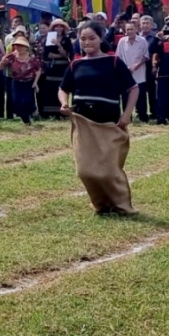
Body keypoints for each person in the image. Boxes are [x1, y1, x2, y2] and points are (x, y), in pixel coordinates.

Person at [60, 20, 139, 215]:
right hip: (83, 123)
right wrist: (63, 102)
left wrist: (126, 114)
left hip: (109, 123)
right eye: (83, 39)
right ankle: (101, 205)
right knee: (85, 170)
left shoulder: (113, 62)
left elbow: (133, 88)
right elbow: (63, 89)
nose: (87, 42)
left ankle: (122, 206)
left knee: (109, 171)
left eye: (92, 38)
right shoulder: (75, 64)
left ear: (101, 38)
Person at [0, 35, 41, 126]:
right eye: (17, 45)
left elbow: (38, 70)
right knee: (15, 103)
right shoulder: (11, 56)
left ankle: (33, 111)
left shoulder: (32, 58)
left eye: (22, 46)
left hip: (28, 82)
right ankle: (26, 120)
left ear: (26, 47)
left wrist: (35, 82)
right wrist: (2, 62)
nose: (19, 47)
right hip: (16, 82)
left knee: (27, 101)